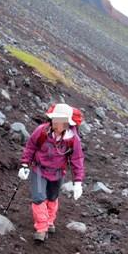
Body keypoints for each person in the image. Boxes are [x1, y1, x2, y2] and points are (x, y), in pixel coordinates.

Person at [18, 103, 85, 242]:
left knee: (52, 197)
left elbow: (77, 160)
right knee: (38, 197)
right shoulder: (41, 131)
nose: (59, 124)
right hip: (39, 169)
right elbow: (30, 147)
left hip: (57, 173)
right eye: (57, 120)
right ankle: (41, 228)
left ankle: (49, 221)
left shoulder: (73, 139)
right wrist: (25, 164)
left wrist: (78, 182)